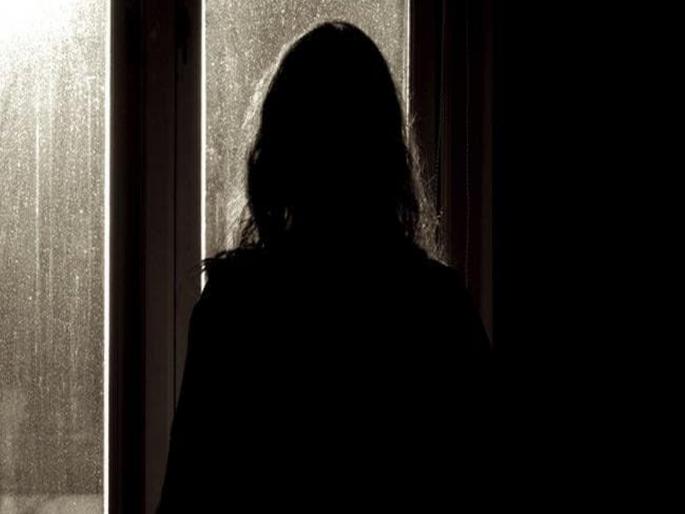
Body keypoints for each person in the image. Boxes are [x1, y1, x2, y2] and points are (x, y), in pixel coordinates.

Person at [158, 21, 490, 512]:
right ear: (386, 158)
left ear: (278, 156)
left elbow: (187, 496)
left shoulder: (235, 307)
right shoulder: (439, 308)